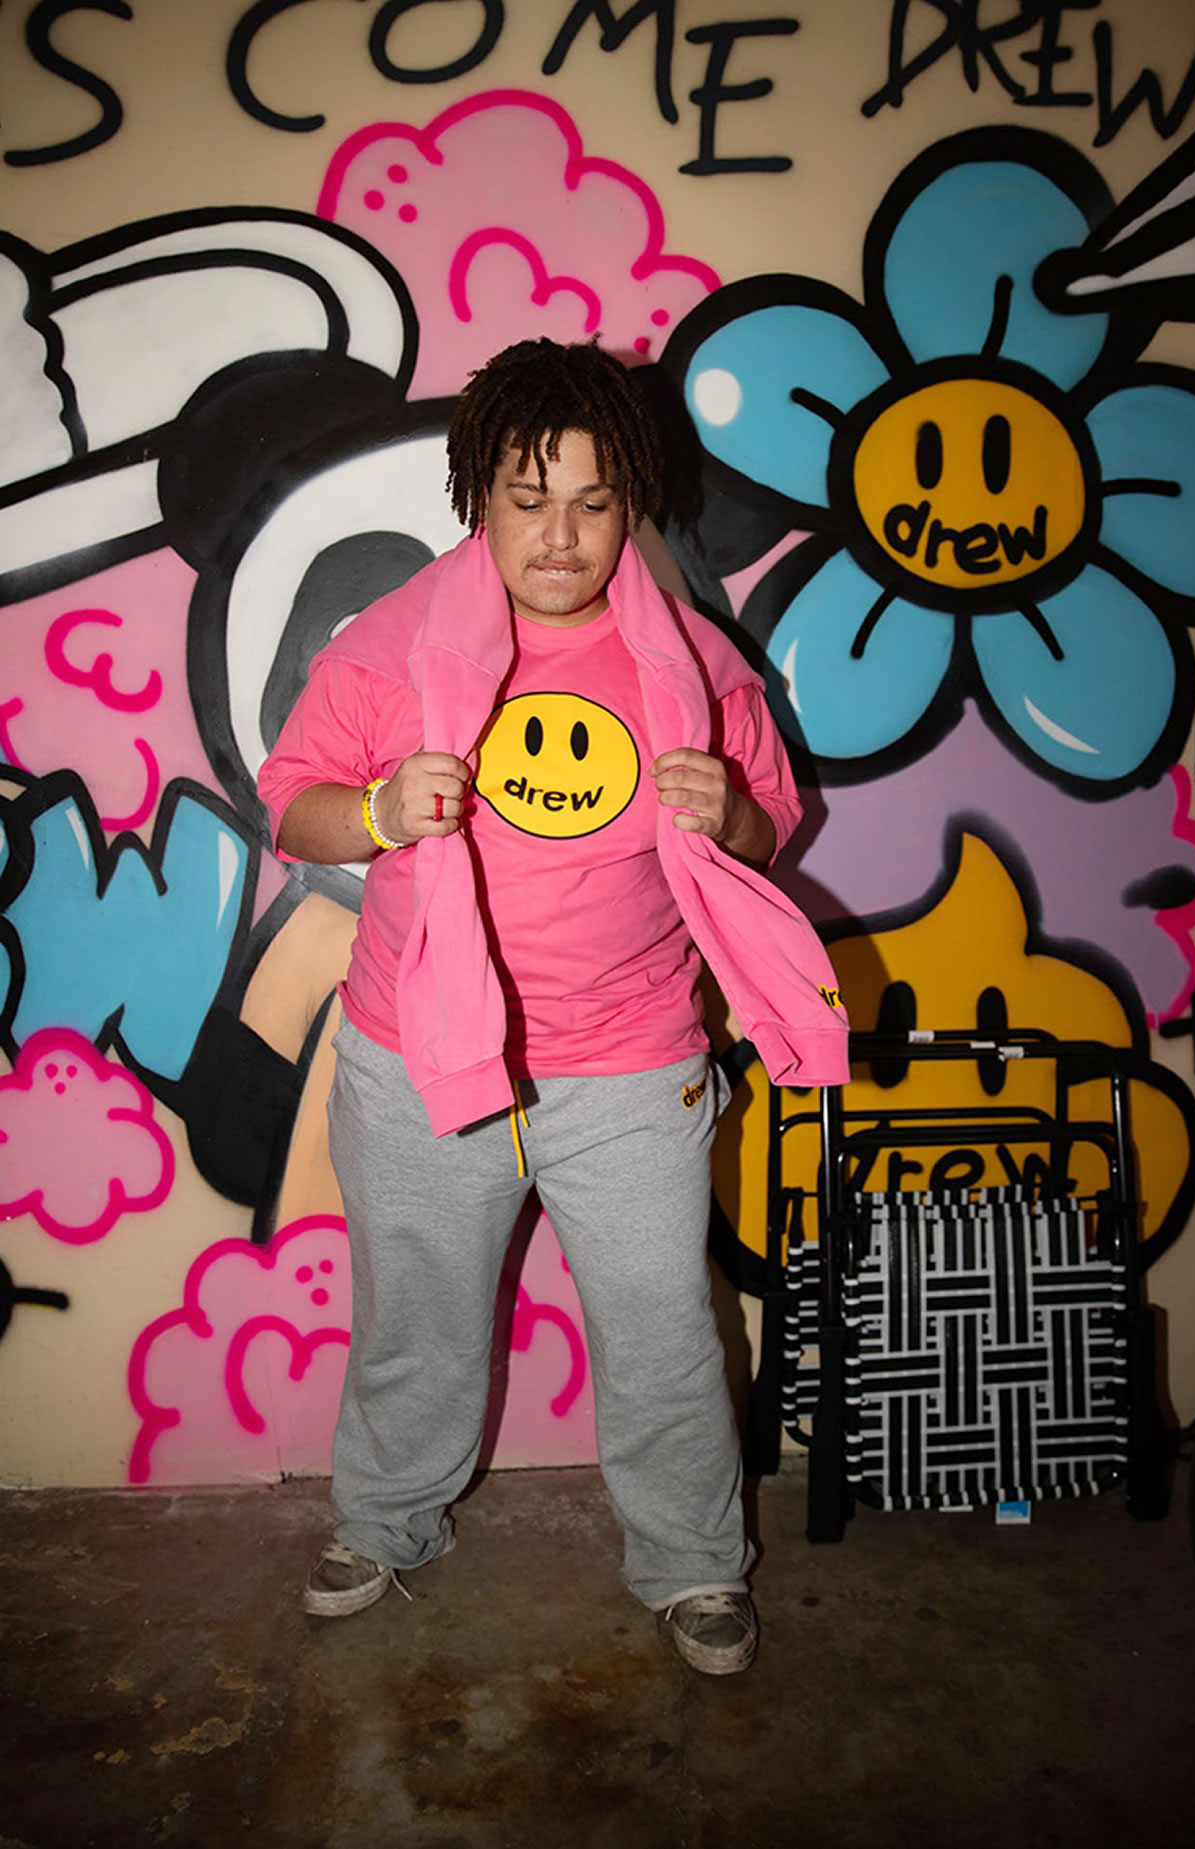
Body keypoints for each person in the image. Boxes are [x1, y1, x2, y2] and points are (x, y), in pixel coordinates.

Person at [257, 337, 848, 1676]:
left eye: (593, 502)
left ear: (632, 502)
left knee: (663, 1329)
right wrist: (375, 811)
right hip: (423, 1056)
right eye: (530, 501)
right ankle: (386, 1522)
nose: (562, 538)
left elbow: (767, 830)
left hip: (633, 1064)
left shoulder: (692, 661)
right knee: (413, 1323)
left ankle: (695, 1562)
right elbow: (291, 804)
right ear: (480, 495)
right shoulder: (391, 645)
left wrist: (732, 814)